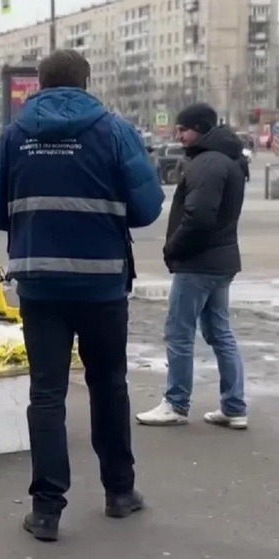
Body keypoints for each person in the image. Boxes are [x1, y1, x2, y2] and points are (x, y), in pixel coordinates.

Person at [0, 49, 164, 542]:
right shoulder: (114, 130)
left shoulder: (16, 135)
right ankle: (120, 493)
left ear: (38, 84)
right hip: (101, 284)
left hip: (39, 285)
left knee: (46, 394)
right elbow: (147, 208)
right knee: (109, 384)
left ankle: (45, 511)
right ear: (87, 80)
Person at [136, 103, 248, 429]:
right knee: (219, 332)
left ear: (199, 128)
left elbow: (198, 218)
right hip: (222, 260)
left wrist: (173, 248)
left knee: (179, 332)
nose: (179, 134)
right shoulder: (228, 158)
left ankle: (176, 403)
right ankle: (234, 406)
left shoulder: (207, 162)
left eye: (184, 129)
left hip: (198, 262)